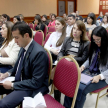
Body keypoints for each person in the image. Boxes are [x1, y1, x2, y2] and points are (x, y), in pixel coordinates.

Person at [0, 22, 49, 108]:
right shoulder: (23, 46)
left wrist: (12, 85)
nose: (15, 41)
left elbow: (36, 82)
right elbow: (16, 68)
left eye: (17, 38)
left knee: (3, 104)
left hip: (31, 87)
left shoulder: (39, 53)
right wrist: (6, 74)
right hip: (21, 81)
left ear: (26, 35)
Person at [64, 26, 108, 108]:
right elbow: (90, 59)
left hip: (103, 75)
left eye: (98, 40)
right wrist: (83, 66)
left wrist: (99, 76)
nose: (96, 42)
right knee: (71, 82)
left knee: (81, 89)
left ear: (104, 38)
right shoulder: (95, 45)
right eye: (94, 40)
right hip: (91, 70)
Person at [54, 20, 90, 103]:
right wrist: (61, 58)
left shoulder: (86, 43)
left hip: (75, 66)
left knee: (59, 74)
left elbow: (83, 58)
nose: (75, 31)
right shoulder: (67, 39)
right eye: (74, 28)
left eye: (77, 29)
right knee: (55, 74)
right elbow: (61, 52)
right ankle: (57, 101)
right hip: (64, 63)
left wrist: (71, 59)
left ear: (82, 31)